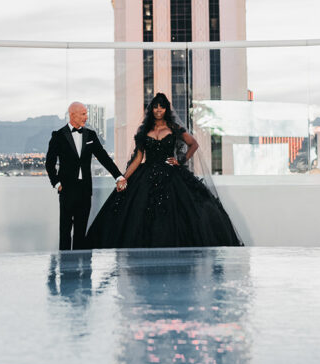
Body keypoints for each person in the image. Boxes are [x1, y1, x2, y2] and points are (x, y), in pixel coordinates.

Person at [87, 93, 242, 248]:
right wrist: (124, 178)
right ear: (151, 109)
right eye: (155, 106)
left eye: (162, 106)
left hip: (172, 175)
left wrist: (180, 161)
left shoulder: (174, 128)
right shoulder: (144, 130)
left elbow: (193, 144)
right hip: (146, 175)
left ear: (166, 109)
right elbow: (138, 158)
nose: (158, 109)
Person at [45, 101, 125, 250]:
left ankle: (79, 269)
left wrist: (118, 176)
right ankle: (65, 269)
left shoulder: (90, 135)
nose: (86, 117)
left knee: (81, 232)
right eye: (83, 114)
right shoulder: (58, 136)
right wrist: (57, 184)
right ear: (72, 115)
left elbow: (104, 158)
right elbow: (49, 164)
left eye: (86, 113)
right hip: (67, 189)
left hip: (85, 190)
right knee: (65, 232)